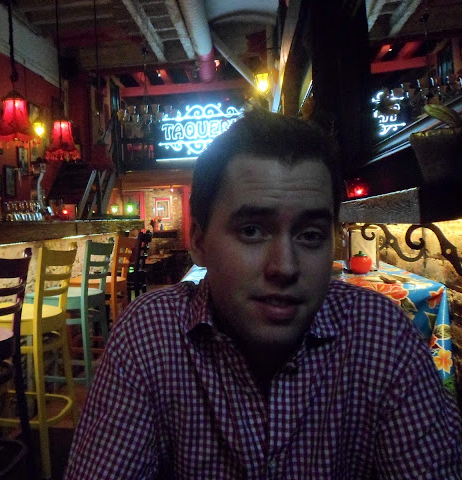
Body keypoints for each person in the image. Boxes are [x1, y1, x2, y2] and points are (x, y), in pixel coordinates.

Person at [63, 109, 462, 479]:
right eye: (252, 230)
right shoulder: (151, 336)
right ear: (199, 242)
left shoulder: (380, 335)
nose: (285, 267)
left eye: (310, 235)